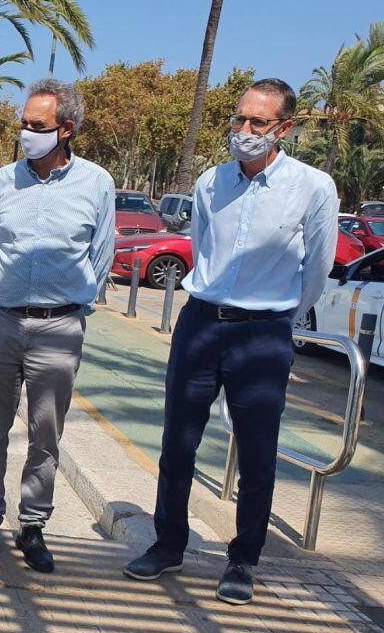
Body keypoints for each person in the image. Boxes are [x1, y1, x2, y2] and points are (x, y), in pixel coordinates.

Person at [123, 79, 339, 605]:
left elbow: (318, 268)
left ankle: (243, 559)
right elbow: (203, 248)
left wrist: (279, 317)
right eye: (238, 120)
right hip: (200, 324)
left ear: (283, 129)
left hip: (263, 333)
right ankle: (168, 543)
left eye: (257, 123)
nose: (243, 131)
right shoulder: (210, 182)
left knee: (258, 451)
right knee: (177, 443)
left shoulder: (313, 187)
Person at [0, 79, 115, 571]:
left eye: (38, 126)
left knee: (44, 434)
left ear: (66, 129)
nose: (26, 133)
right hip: (1, 323)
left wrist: (74, 307)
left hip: (59, 328)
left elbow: (101, 254)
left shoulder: (97, 184)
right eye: (23, 124)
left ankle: (32, 525)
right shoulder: (4, 183)